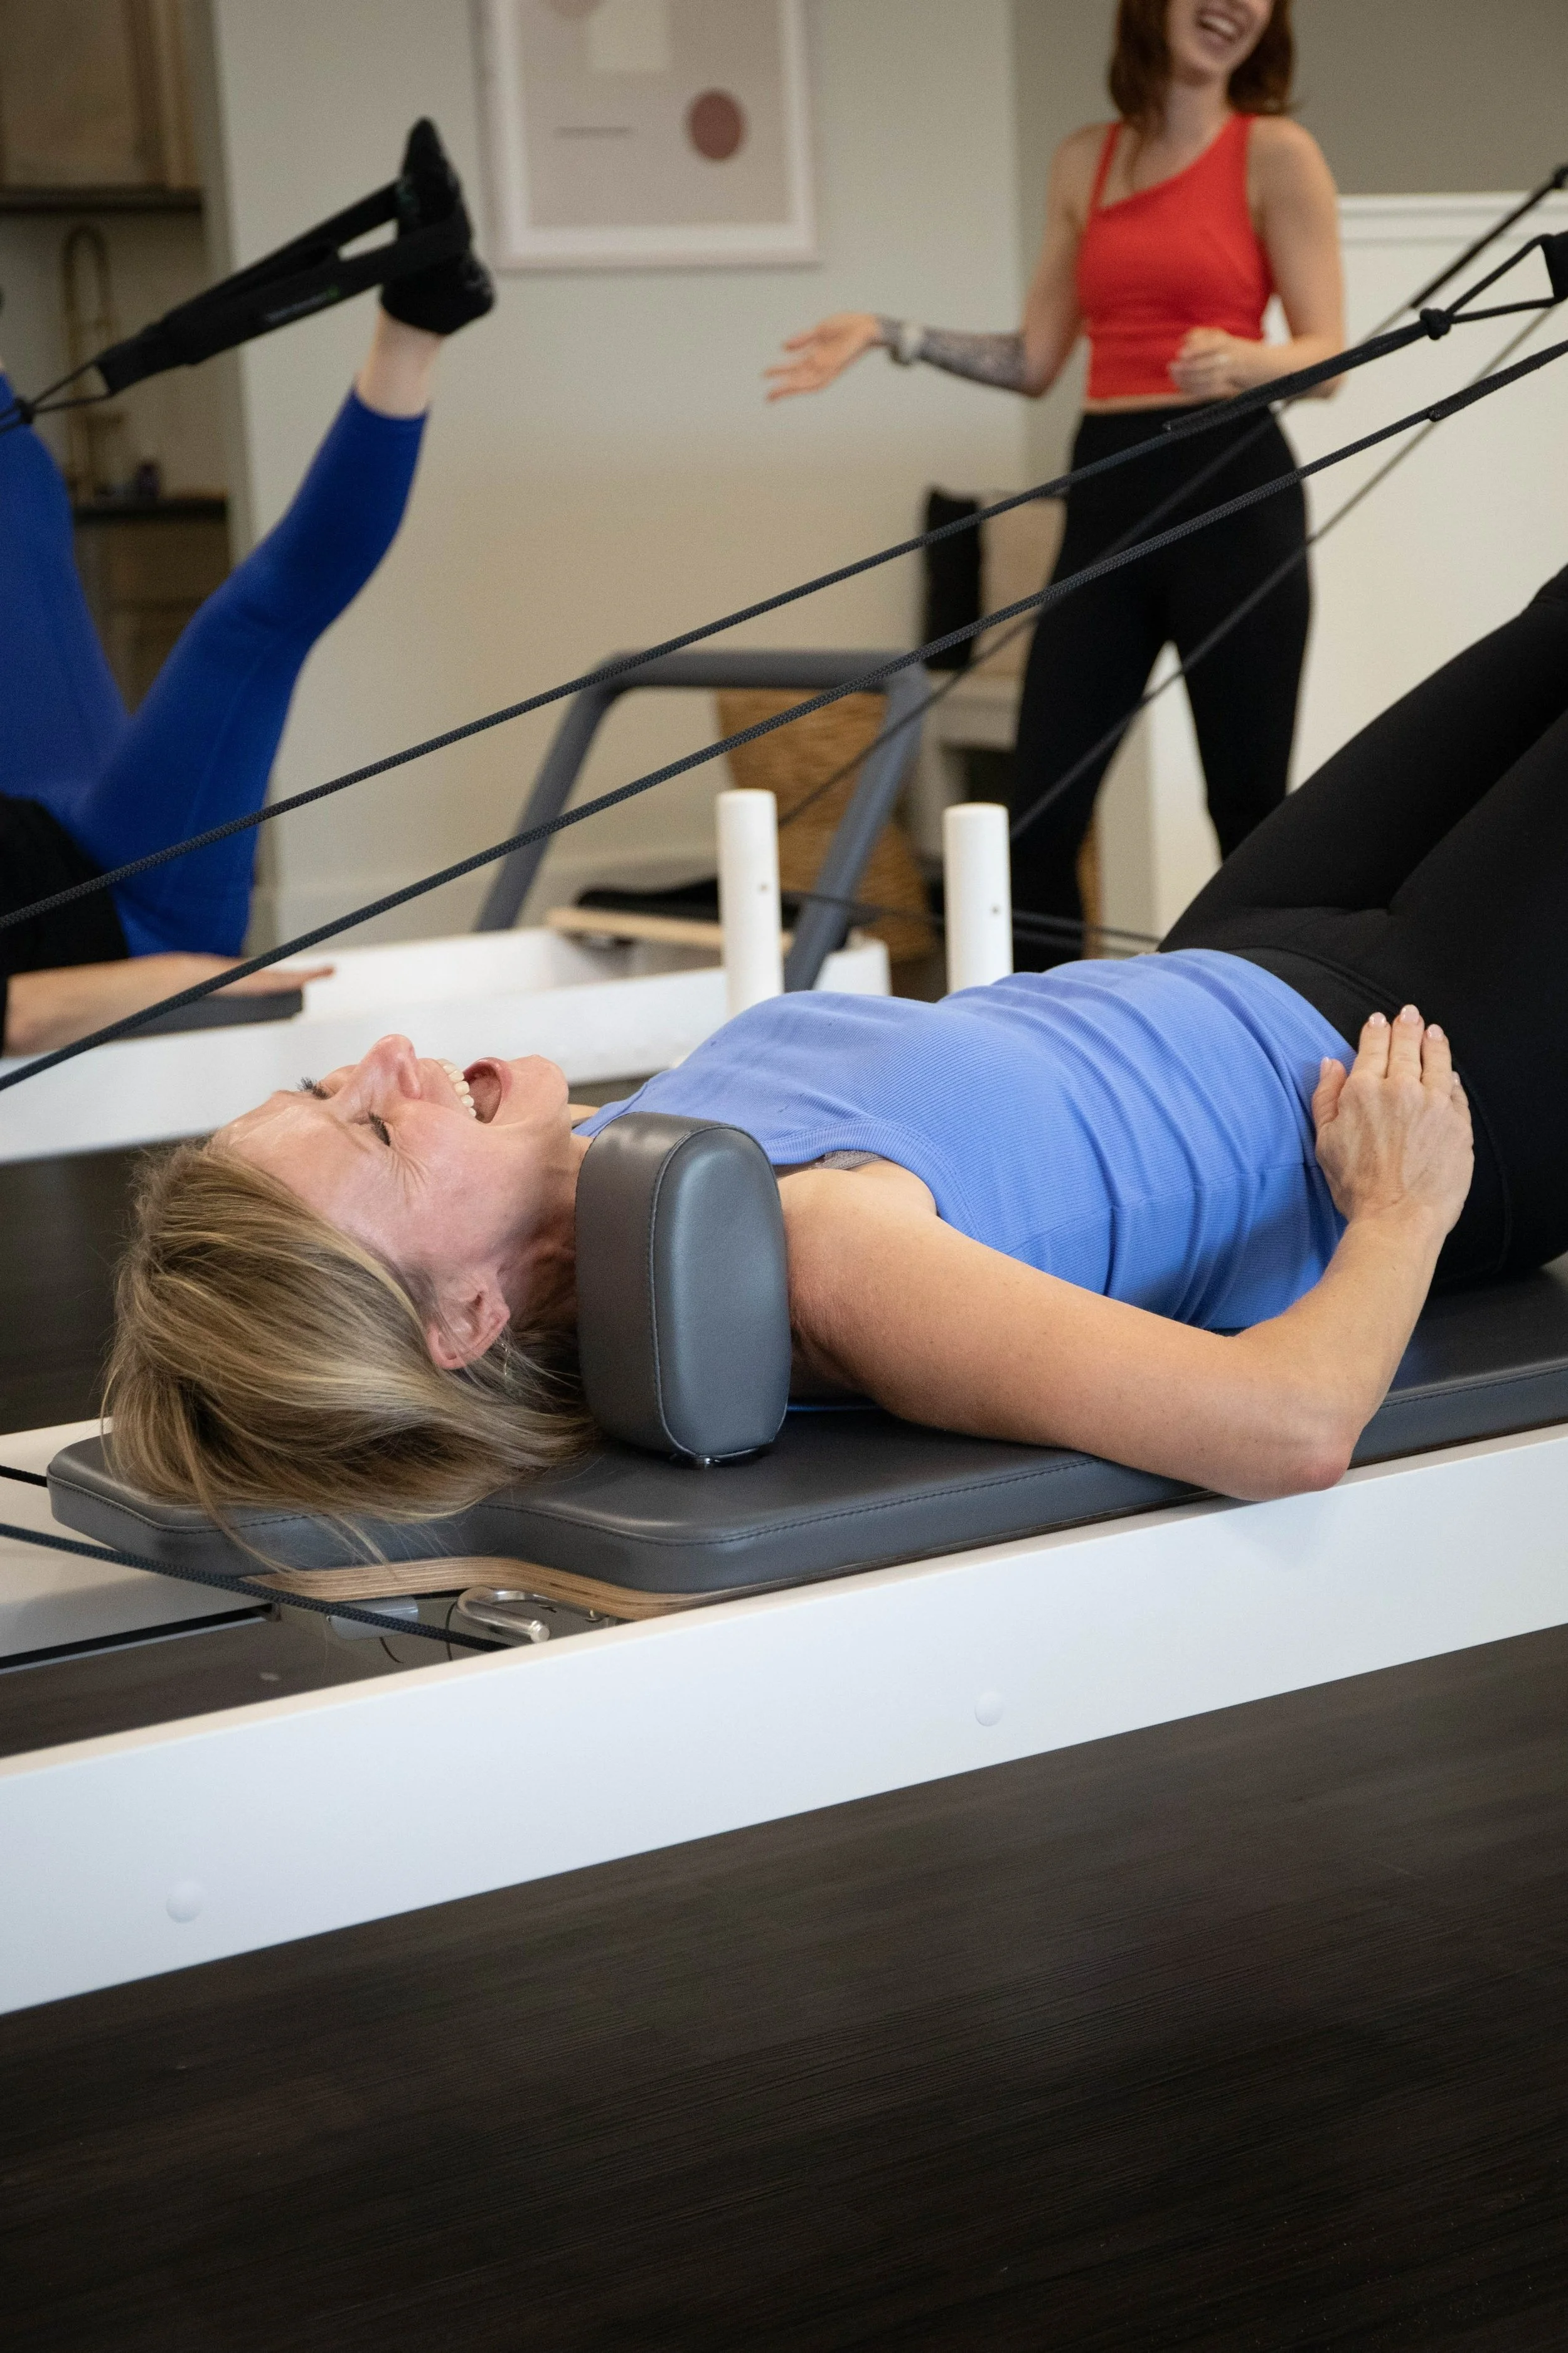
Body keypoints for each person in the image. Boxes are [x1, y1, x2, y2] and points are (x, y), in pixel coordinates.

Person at [107, 554, 1568, 1526]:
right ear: (462, 1323)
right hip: (1440, 1066)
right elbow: (1289, 1427)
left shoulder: (632, 1173)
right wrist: (1401, 1207)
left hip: (1250, 948)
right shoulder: (815, 1257)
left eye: (327, 1080)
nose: (389, 1061)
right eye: (371, 1129)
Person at [765, 0, 1343, 964]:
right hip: (1108, 489)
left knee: (1245, 810)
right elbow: (1036, 357)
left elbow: (1328, 359)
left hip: (1234, 493)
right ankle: (1042, 1056)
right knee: (1037, 810)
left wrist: (1242, 359)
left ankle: (1257, 1047)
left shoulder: (1275, 152)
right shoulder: (1087, 159)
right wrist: (888, 333)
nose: (1235, 6)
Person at [0, 120, 493, 1058]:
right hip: (122, 918)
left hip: (32, 817)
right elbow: (19, 1013)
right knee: (250, 625)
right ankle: (416, 327)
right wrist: (162, 978)